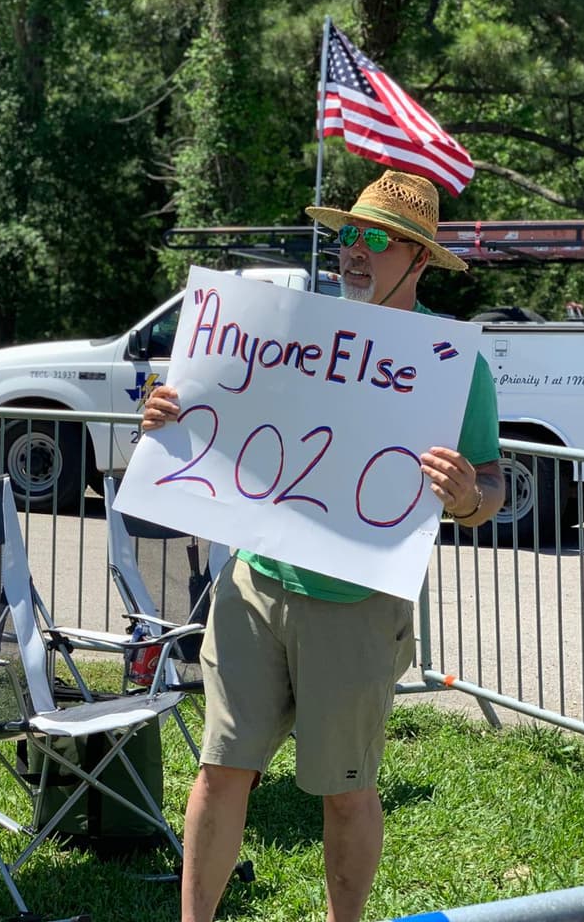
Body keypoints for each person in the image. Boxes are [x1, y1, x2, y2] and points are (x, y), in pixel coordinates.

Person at [142, 170, 506, 922]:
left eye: (377, 239)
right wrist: (170, 416)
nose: (355, 250)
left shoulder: (452, 363)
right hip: (254, 583)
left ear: (419, 259)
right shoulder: (291, 330)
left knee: (345, 790)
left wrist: (470, 495)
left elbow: (491, 484)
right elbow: (224, 417)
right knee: (220, 770)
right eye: (348, 235)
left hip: (358, 601)